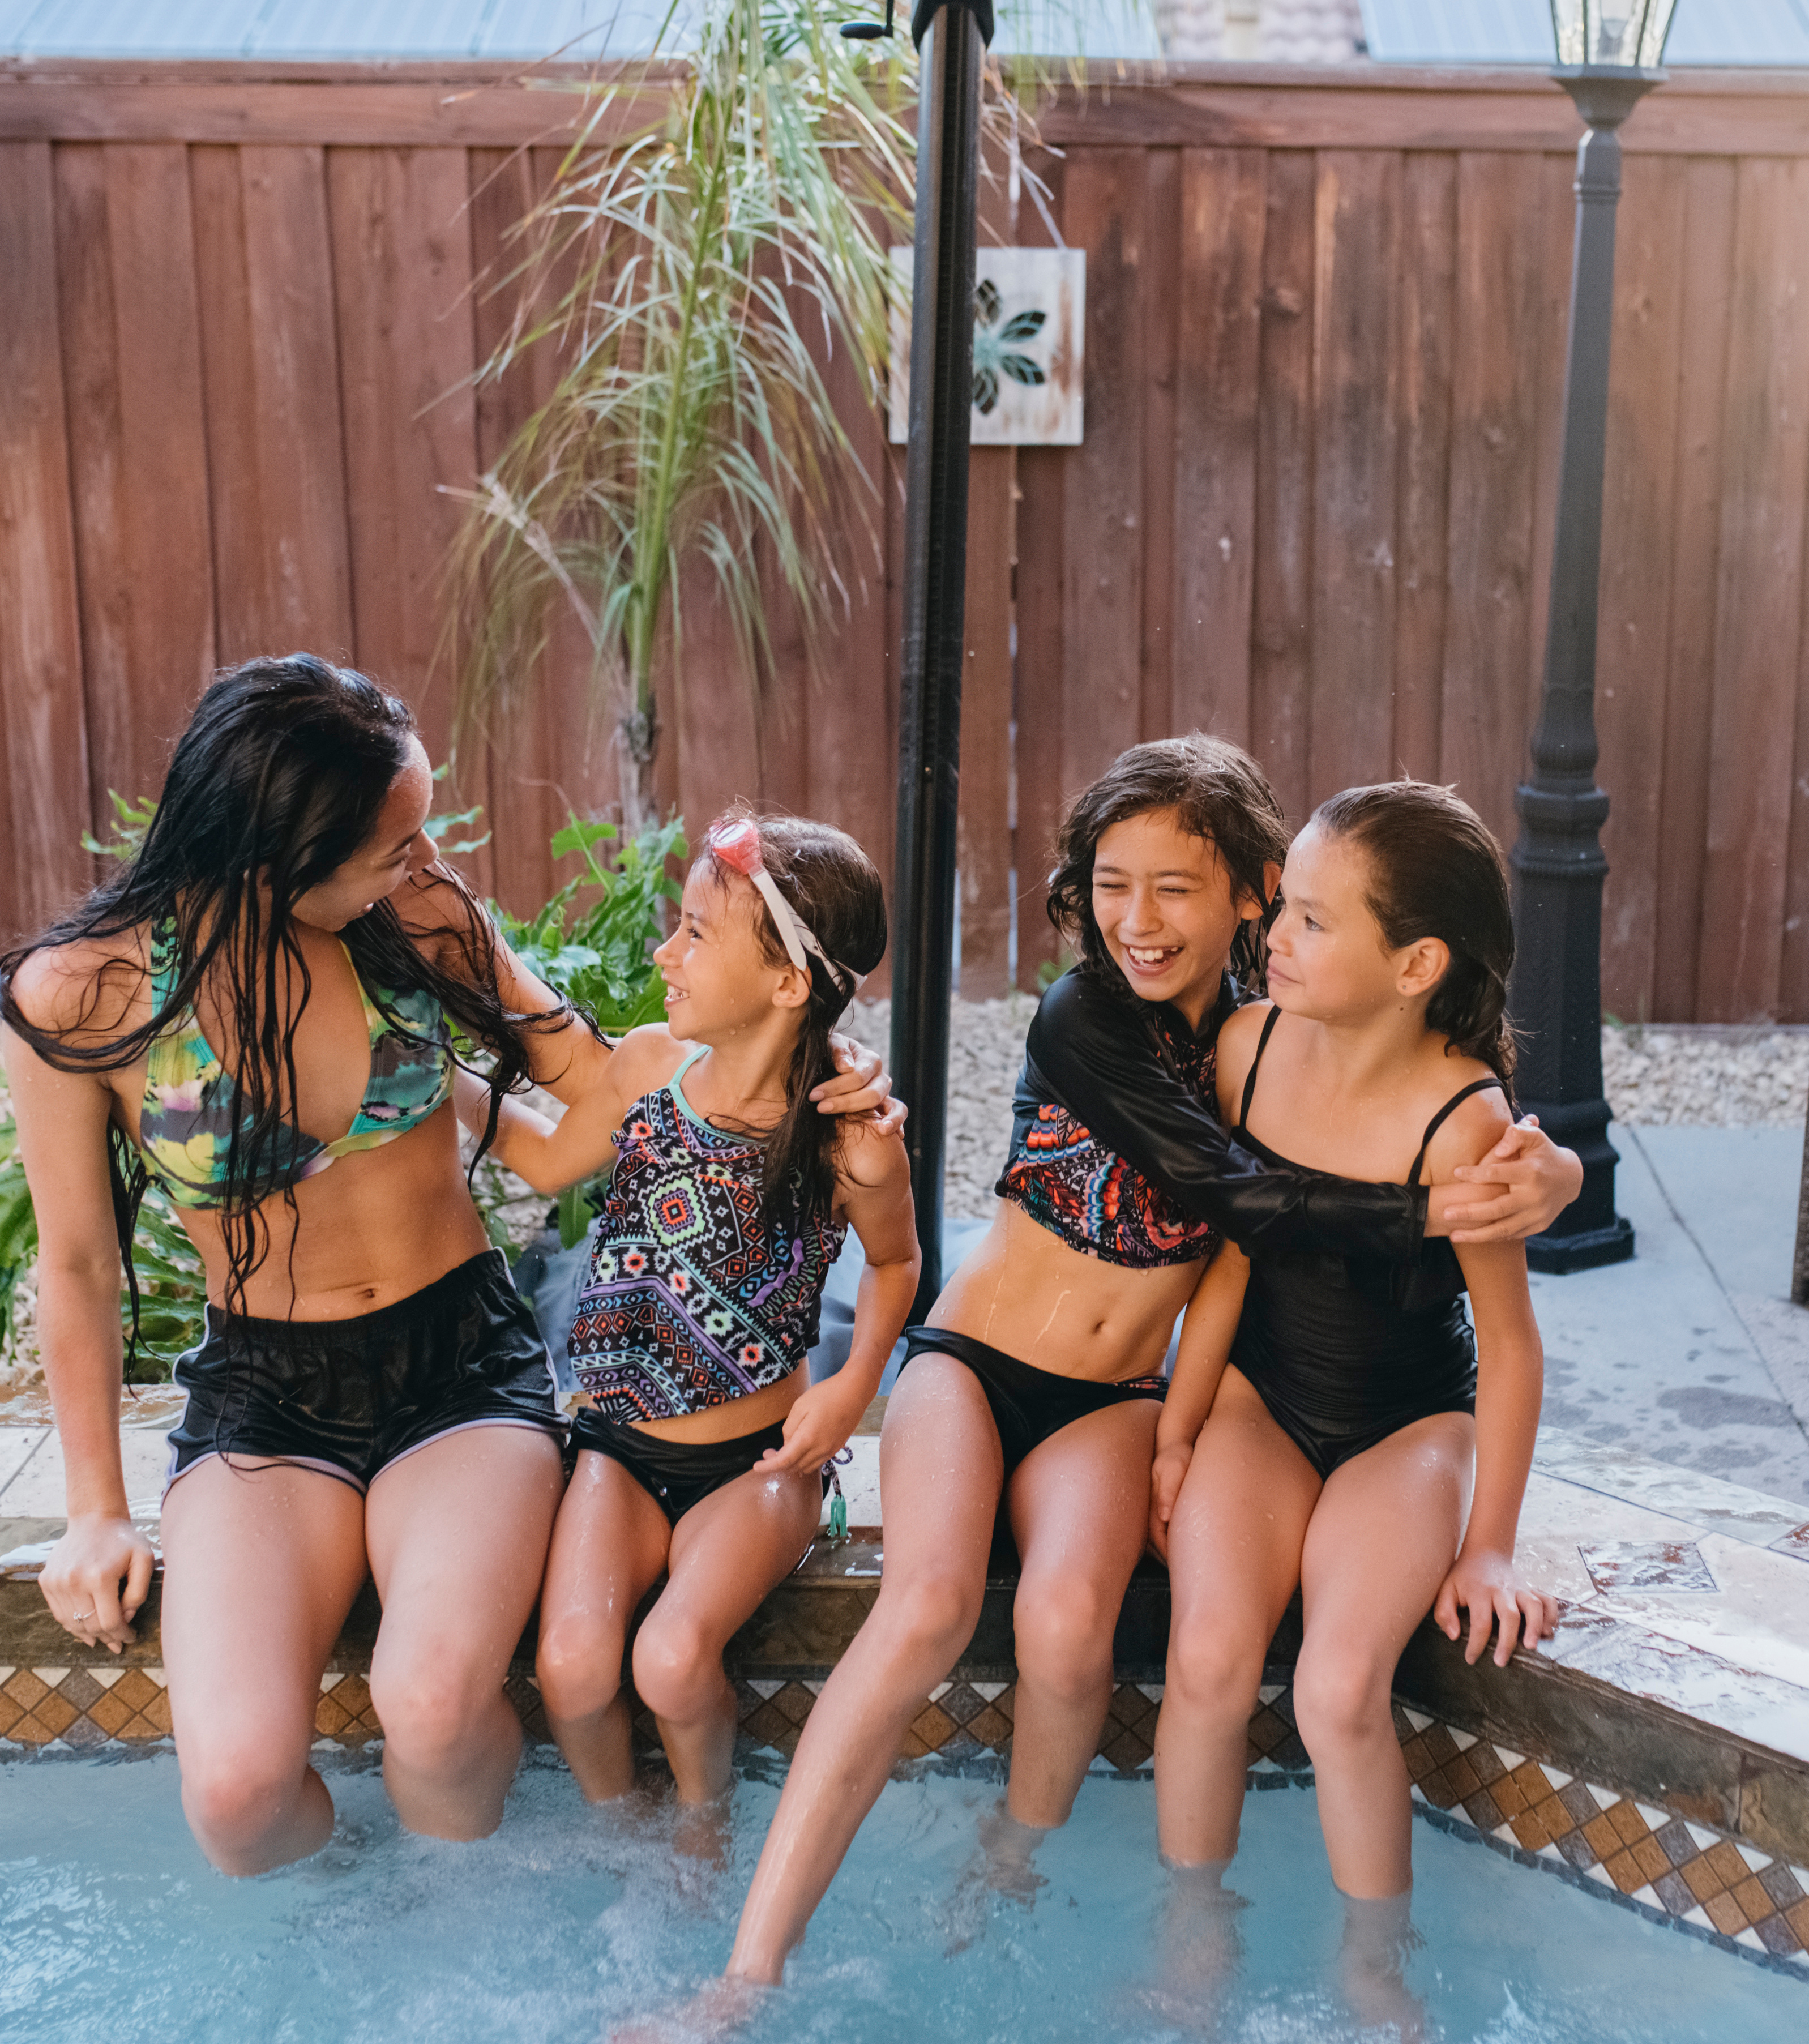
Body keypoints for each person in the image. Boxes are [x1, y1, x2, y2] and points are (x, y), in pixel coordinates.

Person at [712, 737, 1584, 1998]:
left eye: (1176, 887)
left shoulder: (1266, 1030)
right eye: (1109, 883)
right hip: (975, 1359)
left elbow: (1393, 1086)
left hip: (1115, 1400)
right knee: (928, 1606)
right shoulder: (1088, 1021)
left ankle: (1010, 1864)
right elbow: (1240, 1199)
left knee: (1069, 1627)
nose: (1136, 919)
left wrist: (1541, 1176)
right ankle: (748, 1971)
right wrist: (1422, 1217)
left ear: (1251, 890)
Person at [3, 656, 887, 1876]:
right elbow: (79, 1265)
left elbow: (592, 1084)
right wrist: (95, 1510)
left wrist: (803, 1077)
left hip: (459, 1369)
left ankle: (460, 1934)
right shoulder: (85, 996)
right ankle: (356, 1924)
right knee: (238, 1796)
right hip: (265, 1395)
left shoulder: (415, 923)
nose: (425, 866)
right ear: (278, 855)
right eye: (391, 845)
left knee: (429, 1705)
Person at [1148, 782, 1563, 2029]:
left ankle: (1375, 1984)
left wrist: (1488, 1540)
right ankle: (1191, 1950)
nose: (1275, 934)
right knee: (1209, 1659)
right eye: (1287, 907)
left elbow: (1510, 1342)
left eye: (1316, 921)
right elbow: (1226, 1260)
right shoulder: (1247, 1047)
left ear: (1413, 963)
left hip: (1405, 1428)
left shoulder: (1463, 1118)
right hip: (1262, 1404)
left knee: (1336, 1689)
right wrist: (1178, 1428)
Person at [498, 814, 919, 1849]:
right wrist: (437, 1096)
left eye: (694, 934)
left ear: (787, 986)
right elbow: (550, 1164)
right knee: (573, 1669)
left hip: (758, 1466)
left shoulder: (850, 1140)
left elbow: (899, 1263)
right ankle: (618, 1830)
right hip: (618, 1452)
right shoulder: (649, 1069)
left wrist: (855, 1382)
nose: (664, 953)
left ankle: (703, 1825)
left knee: (674, 1661)